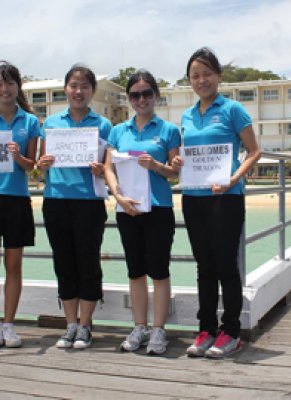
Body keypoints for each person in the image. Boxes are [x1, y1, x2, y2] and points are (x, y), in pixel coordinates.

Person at [171, 47, 261, 358]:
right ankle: (206, 329)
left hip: (226, 199)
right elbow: (190, 155)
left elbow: (254, 152)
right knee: (204, 267)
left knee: (226, 266)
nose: (201, 80)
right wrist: (181, 160)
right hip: (193, 198)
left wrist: (234, 179)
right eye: (195, 76)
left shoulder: (234, 110)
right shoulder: (186, 115)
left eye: (207, 74)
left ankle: (231, 331)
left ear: (218, 76)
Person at [104, 70, 180, 355]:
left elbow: (175, 172)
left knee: (159, 270)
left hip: (159, 209)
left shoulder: (169, 130)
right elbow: (109, 169)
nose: (141, 99)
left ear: (156, 96)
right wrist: (118, 196)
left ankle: (159, 330)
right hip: (128, 209)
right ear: (129, 99)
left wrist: (156, 167)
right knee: (135, 271)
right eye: (135, 94)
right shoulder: (118, 131)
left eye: (147, 93)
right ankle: (139, 326)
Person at [37, 64, 112, 349]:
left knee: (88, 262)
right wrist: (41, 164)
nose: (78, 91)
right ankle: (70, 325)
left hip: (89, 203)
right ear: (65, 89)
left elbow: (110, 168)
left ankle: (85, 326)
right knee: (63, 262)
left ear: (92, 91)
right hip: (56, 200)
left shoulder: (103, 125)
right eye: (73, 85)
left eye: (84, 86)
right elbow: (41, 165)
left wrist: (101, 171)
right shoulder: (51, 124)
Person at [0, 61, 40, 348]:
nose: (5, 89)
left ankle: (9, 325)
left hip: (15, 200)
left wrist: (18, 157)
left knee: (13, 265)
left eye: (10, 83)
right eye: (0, 83)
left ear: (18, 86)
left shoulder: (30, 121)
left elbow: (33, 167)